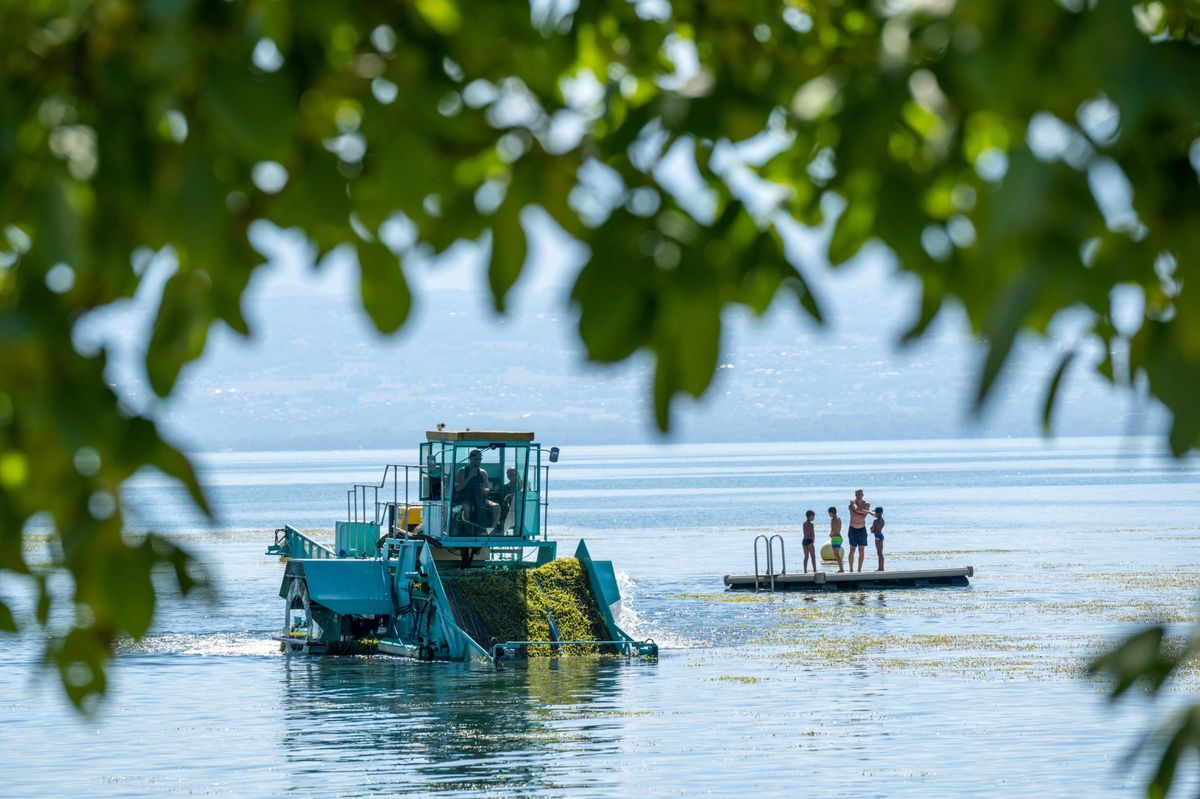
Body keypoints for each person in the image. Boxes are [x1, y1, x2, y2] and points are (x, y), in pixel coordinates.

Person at [454, 449, 493, 532]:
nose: (478, 462)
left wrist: (484, 489)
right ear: (470, 459)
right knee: (467, 509)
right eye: (476, 459)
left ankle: (490, 531)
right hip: (464, 498)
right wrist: (469, 477)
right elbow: (457, 488)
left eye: (480, 459)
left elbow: (487, 489)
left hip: (480, 498)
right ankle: (469, 532)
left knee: (496, 507)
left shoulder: (483, 472)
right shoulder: (462, 471)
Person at [847, 489, 870, 573]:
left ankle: (859, 569)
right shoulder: (852, 502)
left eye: (860, 494)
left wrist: (857, 511)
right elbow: (855, 511)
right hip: (852, 528)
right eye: (857, 494)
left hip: (862, 528)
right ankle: (851, 569)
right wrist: (864, 512)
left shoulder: (866, 504)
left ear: (863, 494)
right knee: (852, 549)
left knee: (861, 549)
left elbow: (864, 516)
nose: (858, 495)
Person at [494, 466, 522, 534]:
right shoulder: (505, 487)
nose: (512, 476)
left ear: (518, 474)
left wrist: (513, 496)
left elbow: (525, 494)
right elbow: (501, 500)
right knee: (503, 524)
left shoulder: (523, 485)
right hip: (507, 512)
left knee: (519, 527)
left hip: (520, 512)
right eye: (509, 474)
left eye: (514, 474)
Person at [827, 506, 844, 573]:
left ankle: (841, 569)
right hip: (839, 537)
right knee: (836, 555)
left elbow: (835, 529)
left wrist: (831, 534)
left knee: (836, 555)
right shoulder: (839, 519)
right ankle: (841, 568)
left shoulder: (834, 520)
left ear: (831, 513)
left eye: (829, 513)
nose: (829, 515)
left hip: (836, 538)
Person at [801, 509, 818, 573]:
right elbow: (812, 534)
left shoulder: (804, 524)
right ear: (809, 516)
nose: (814, 518)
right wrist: (813, 541)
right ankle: (815, 570)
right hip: (809, 541)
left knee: (806, 557)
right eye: (813, 516)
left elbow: (805, 533)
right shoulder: (811, 525)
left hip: (804, 541)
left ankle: (805, 570)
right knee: (813, 556)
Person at [870, 507, 885, 571]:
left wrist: (871, 529)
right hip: (880, 535)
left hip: (877, 537)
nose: (875, 513)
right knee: (880, 553)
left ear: (877, 513)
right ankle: (882, 568)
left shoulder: (875, 521)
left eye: (875, 512)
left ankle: (880, 568)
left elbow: (872, 529)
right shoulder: (882, 520)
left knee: (879, 553)